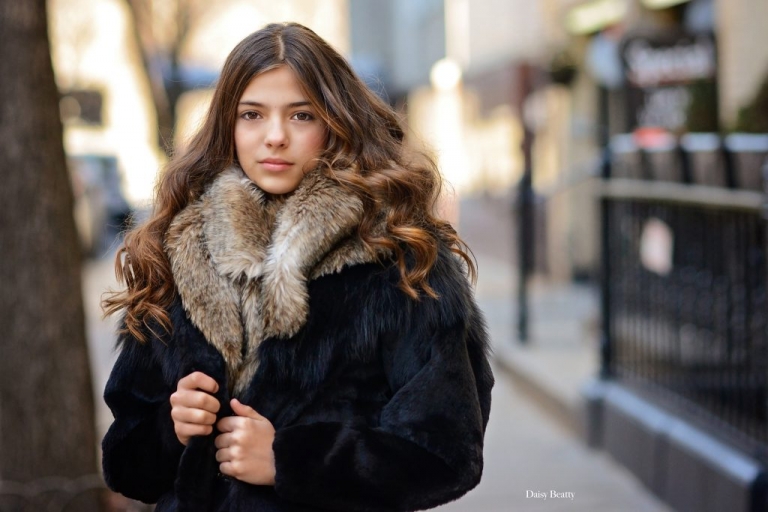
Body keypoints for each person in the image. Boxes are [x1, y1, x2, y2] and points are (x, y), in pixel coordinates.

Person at [101, 22, 493, 512]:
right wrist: (170, 428)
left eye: (301, 115)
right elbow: (123, 464)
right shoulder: (176, 253)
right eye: (252, 115)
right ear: (229, 126)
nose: (275, 137)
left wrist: (290, 460)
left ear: (334, 123)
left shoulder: (400, 262)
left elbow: (447, 453)